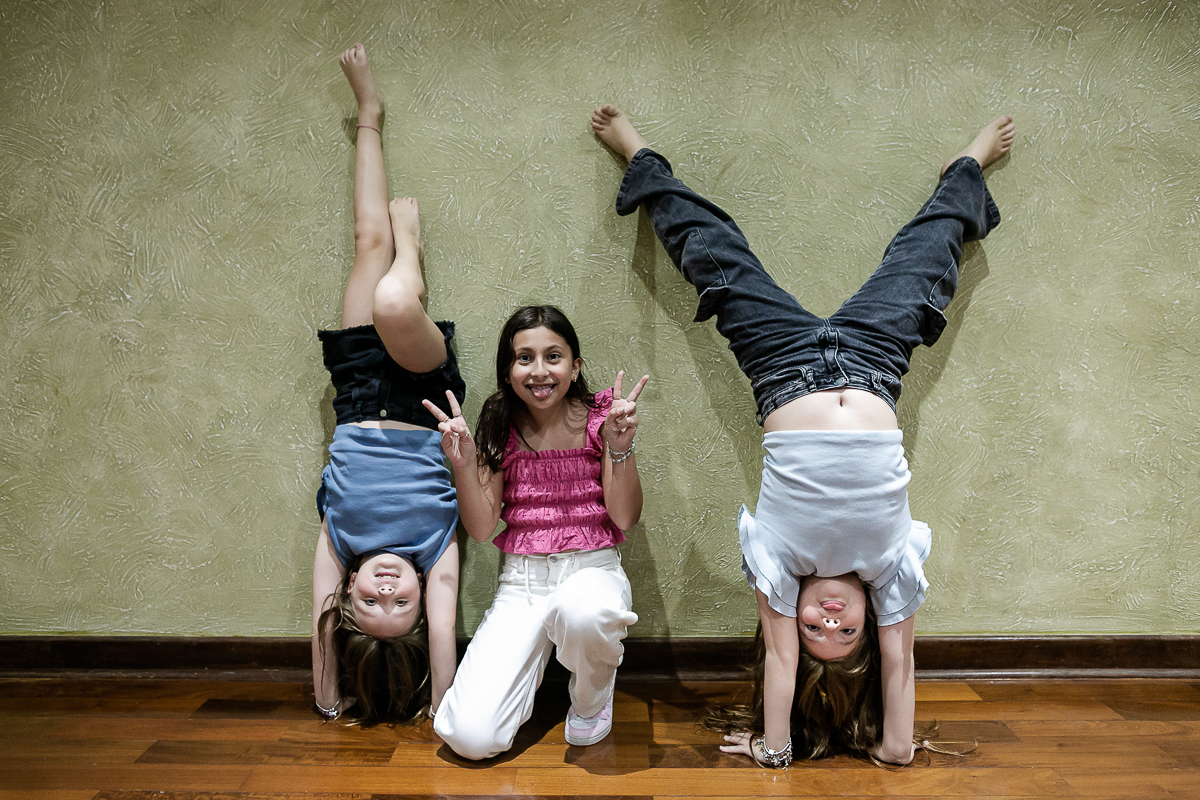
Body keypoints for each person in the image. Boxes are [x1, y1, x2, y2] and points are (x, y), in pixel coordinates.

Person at [591, 103, 1014, 766]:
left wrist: (774, 747)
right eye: (846, 631)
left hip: (781, 365)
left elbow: (782, 657)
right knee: (925, 254)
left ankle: (639, 156)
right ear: (867, 628)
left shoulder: (779, 568)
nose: (831, 617)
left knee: (716, 256)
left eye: (817, 628)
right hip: (875, 364)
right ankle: (966, 169)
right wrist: (896, 747)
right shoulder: (891, 572)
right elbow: (899, 664)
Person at [310, 44, 465, 725]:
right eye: (399, 606)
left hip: (356, 393)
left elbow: (320, 623)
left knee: (365, 242)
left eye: (369, 605)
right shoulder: (437, 549)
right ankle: (414, 261)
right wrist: (442, 699)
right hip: (421, 397)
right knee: (395, 304)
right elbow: (443, 628)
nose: (386, 593)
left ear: (346, 594)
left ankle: (368, 116)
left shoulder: (338, 542)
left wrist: (327, 694)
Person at [421, 306, 648, 759]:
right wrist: (463, 465)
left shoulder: (602, 417)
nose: (540, 371)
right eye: (524, 358)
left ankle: (591, 700)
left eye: (554, 356)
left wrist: (619, 449)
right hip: (522, 583)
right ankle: (529, 683)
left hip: (591, 571)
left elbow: (624, 519)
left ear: (575, 366)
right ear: (508, 370)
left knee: (582, 612)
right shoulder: (500, 423)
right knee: (468, 737)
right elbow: (483, 529)